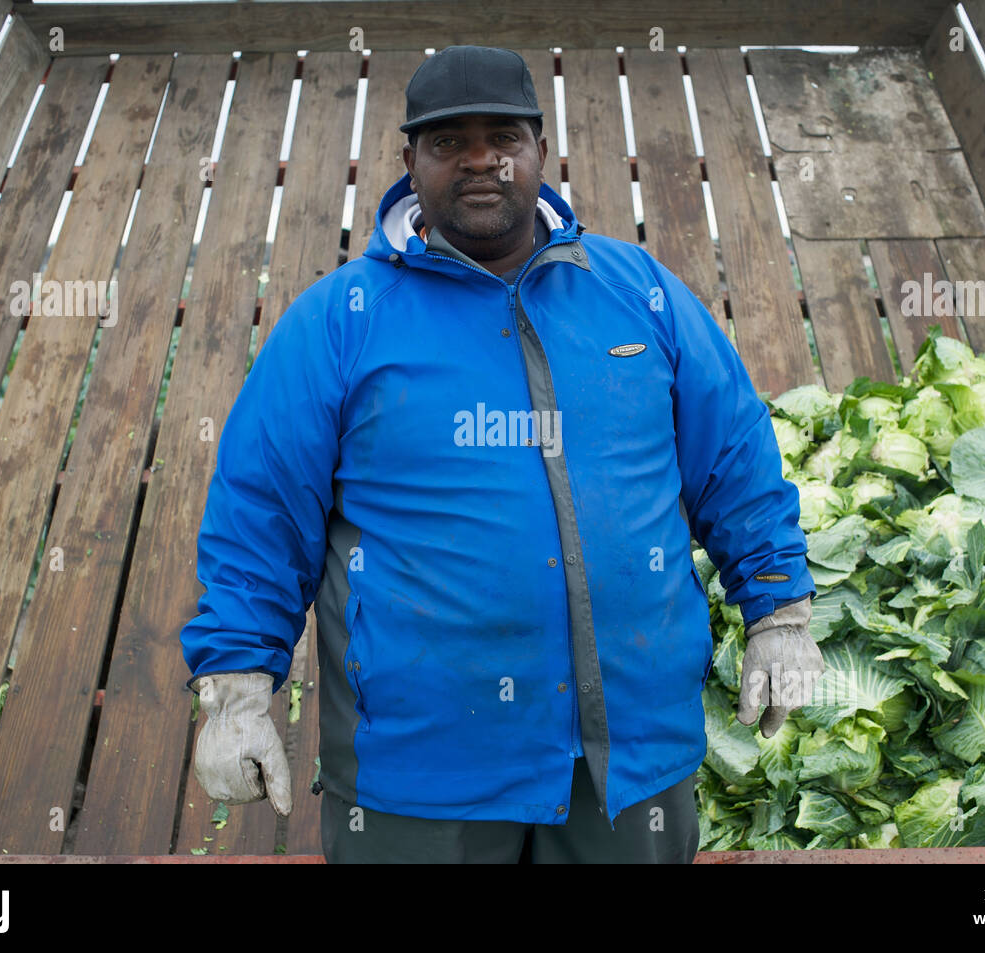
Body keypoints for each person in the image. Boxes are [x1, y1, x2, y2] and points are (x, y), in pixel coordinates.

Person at [179, 45, 822, 864]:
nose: (480, 159)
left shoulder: (638, 292)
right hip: (418, 781)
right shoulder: (340, 320)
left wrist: (778, 612)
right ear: (409, 161)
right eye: (449, 142)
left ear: (540, 152)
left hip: (628, 768)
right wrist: (236, 693)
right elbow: (259, 516)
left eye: (503, 137)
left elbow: (737, 459)